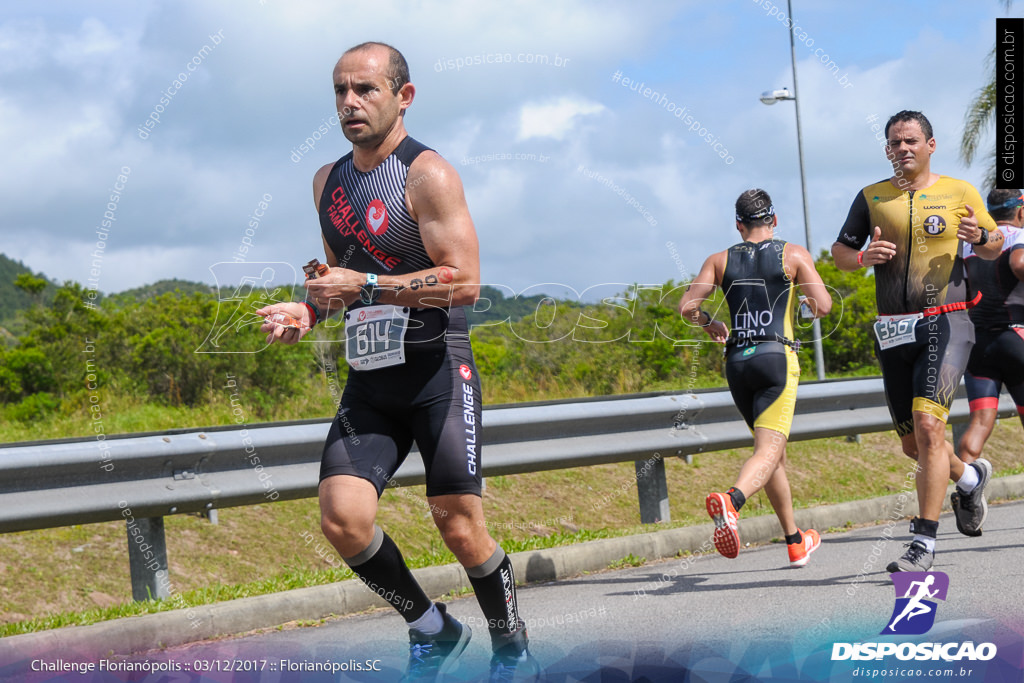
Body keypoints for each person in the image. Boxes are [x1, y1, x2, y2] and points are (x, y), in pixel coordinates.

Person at [257, 42, 537, 681]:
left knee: (460, 528)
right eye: (340, 92)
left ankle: (511, 642)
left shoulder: (427, 173)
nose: (350, 103)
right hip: (371, 379)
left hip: (438, 370)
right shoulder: (327, 182)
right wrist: (309, 310)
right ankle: (430, 627)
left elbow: (463, 282)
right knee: (342, 519)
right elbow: (336, 278)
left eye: (366, 90)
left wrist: (364, 287)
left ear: (403, 97)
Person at [831, 110, 1002, 572]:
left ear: (930, 144)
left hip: (947, 321)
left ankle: (922, 543)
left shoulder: (959, 192)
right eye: (894, 142)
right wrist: (863, 256)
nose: (902, 148)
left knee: (930, 429)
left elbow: (994, 242)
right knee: (914, 445)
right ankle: (969, 479)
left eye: (910, 141)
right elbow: (840, 252)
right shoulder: (871, 197)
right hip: (893, 328)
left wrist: (980, 234)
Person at [680, 188, 832, 567]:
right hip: (776, 358)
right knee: (768, 451)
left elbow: (687, 307)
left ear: (738, 224)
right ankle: (732, 501)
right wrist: (804, 303)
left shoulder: (719, 260)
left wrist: (710, 323)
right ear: (774, 221)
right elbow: (823, 306)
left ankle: (795, 541)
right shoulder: (792, 254)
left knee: (773, 455)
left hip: (737, 363)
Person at [955, 189, 1024, 534]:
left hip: (977, 344)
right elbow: (1018, 265)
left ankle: (968, 488)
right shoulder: (1018, 238)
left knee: (980, 422)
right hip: (1017, 340)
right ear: (1020, 212)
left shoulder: (967, 246)